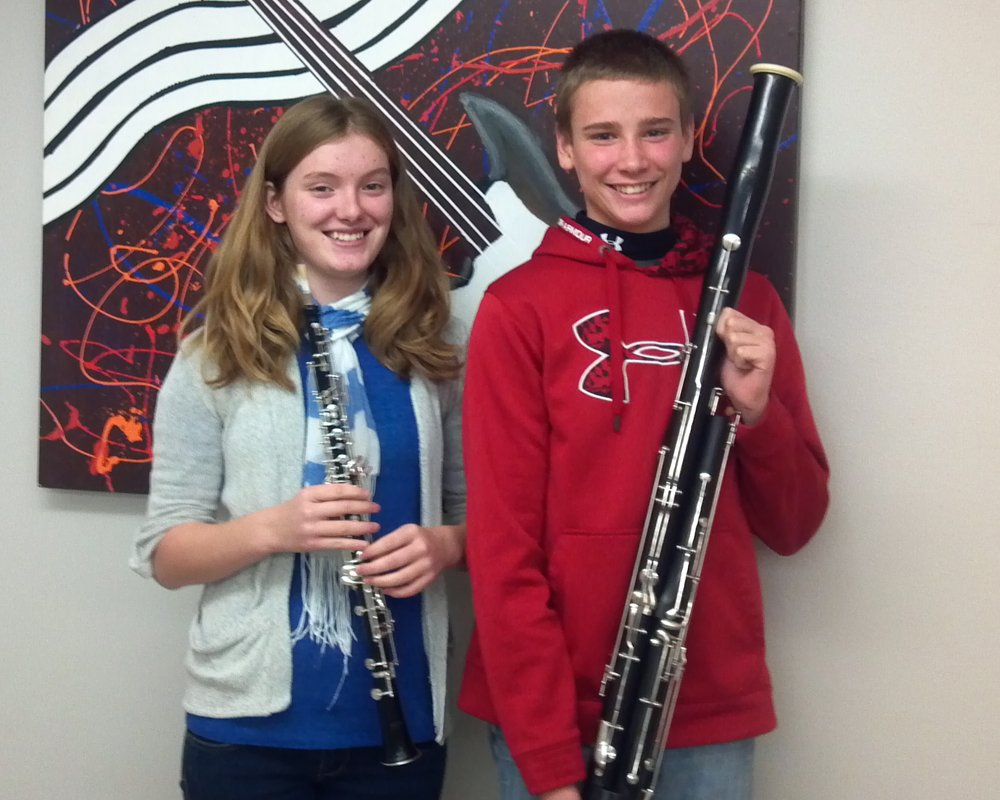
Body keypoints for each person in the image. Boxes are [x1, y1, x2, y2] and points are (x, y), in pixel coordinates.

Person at [457, 29, 830, 800]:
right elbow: (502, 549)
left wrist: (757, 415)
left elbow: (794, 526)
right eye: (602, 135)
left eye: (655, 131)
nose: (631, 160)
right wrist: (548, 762)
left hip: (706, 707)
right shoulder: (518, 308)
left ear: (688, 139)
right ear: (565, 149)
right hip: (552, 714)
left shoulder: (748, 302)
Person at [131, 95, 466, 800]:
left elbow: (481, 516)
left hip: (401, 722)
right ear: (277, 203)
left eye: (372, 186)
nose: (351, 209)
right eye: (322, 187)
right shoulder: (213, 354)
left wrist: (445, 545)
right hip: (247, 736)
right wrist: (273, 530)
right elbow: (165, 554)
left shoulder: (437, 346)